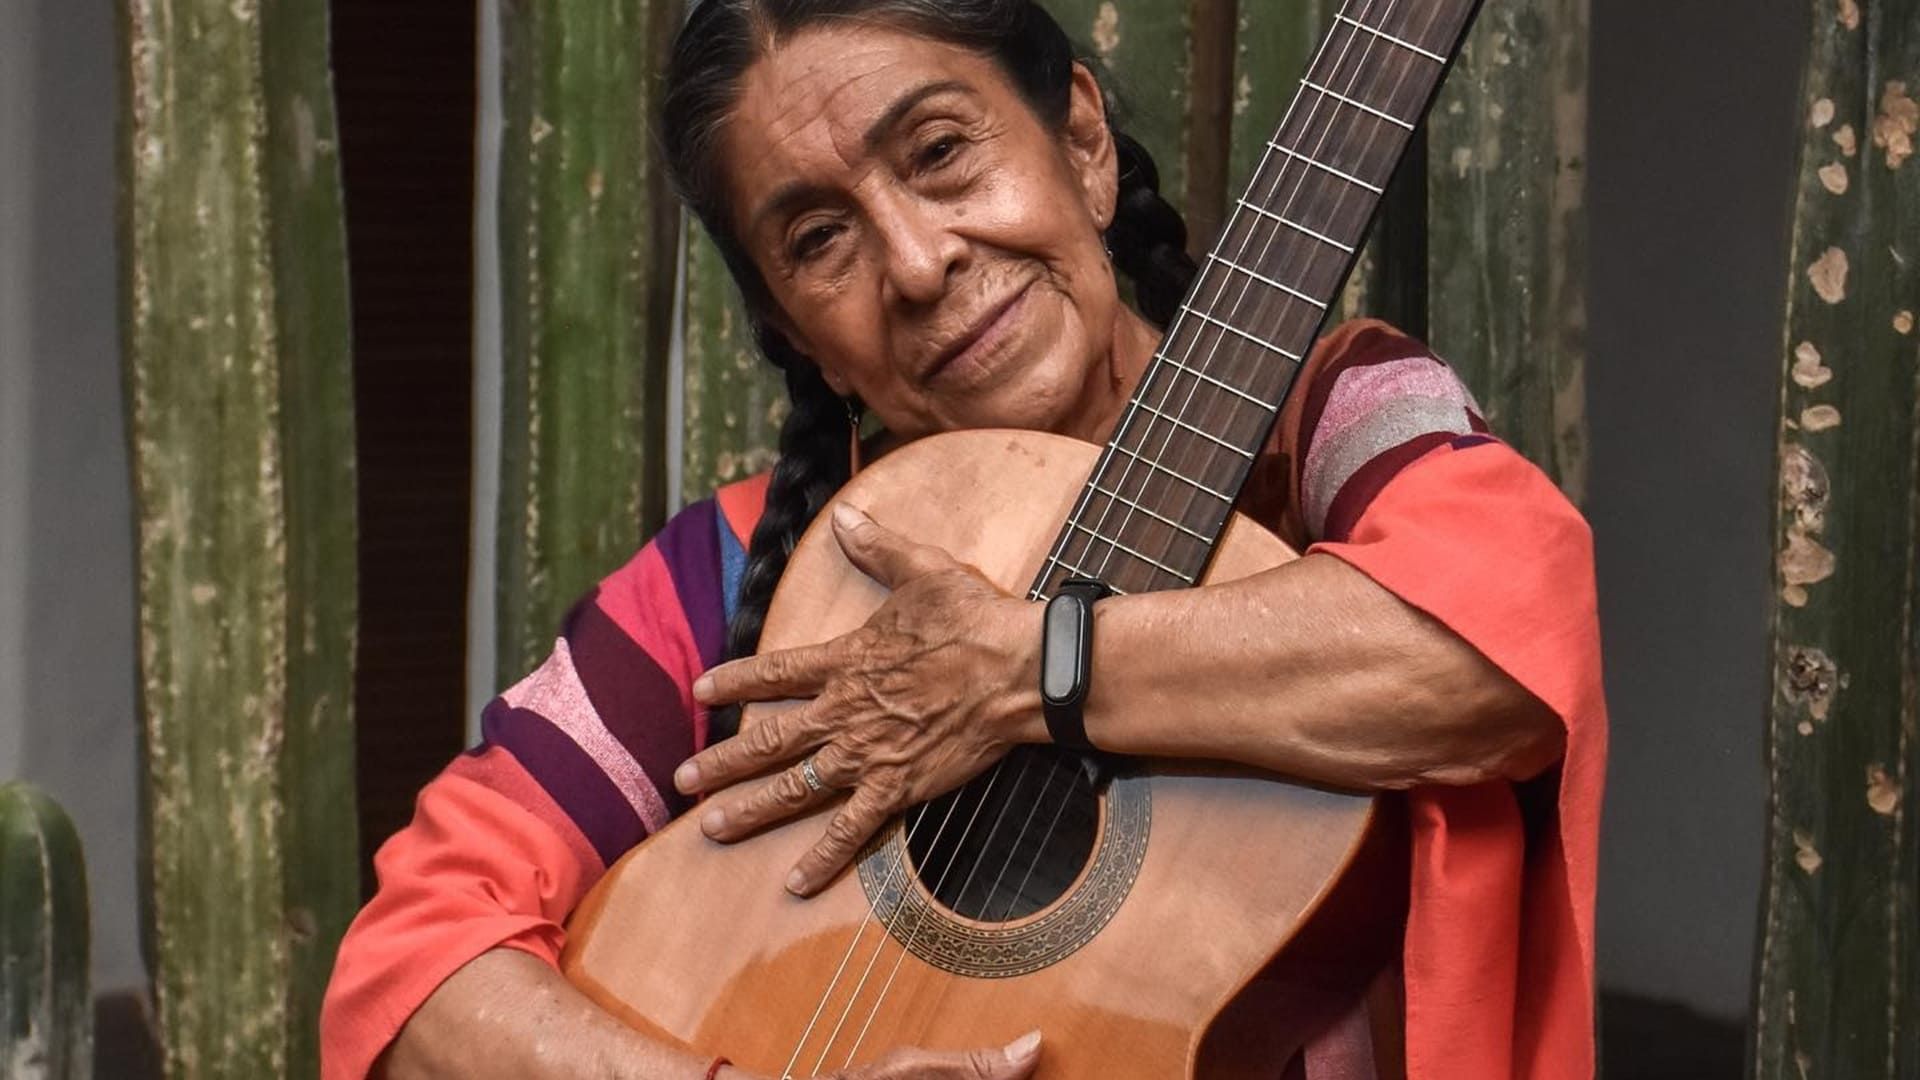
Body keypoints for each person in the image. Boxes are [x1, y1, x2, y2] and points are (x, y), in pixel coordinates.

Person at [320, 2, 1606, 1077]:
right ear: (795, 334)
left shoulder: (1330, 427)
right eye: (821, 239)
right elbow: (415, 957)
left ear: (1086, 145)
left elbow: (1493, 658)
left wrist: (1026, 671)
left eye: (940, 153)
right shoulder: (727, 577)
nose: (919, 260)